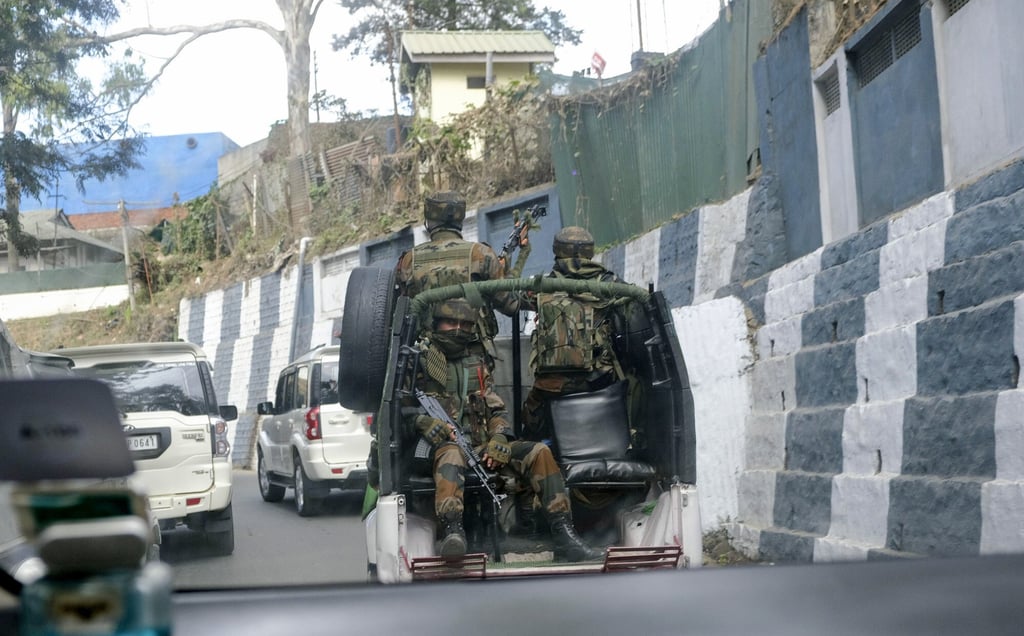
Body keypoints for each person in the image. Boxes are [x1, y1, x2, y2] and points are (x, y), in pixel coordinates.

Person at [407, 299, 603, 562]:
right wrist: (421, 423)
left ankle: (563, 531)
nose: (457, 330)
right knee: (452, 454)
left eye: (464, 324)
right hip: (442, 448)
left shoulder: (476, 363)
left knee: (539, 452)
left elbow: (496, 411)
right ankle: (454, 531)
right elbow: (396, 412)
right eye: (450, 322)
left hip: (479, 446)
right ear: (436, 323)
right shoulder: (415, 362)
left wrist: (499, 437)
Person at [520, 226, 634, 440]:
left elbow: (508, 301)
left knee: (530, 425)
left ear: (557, 250)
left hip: (552, 386)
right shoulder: (611, 284)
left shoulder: (542, 286)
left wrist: (521, 253)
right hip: (600, 381)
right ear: (590, 251)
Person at [394, 191, 523, 349]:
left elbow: (398, 314)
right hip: (474, 361)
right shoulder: (482, 254)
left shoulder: (409, 259)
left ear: (429, 219)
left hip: (426, 360)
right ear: (460, 218)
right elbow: (510, 306)